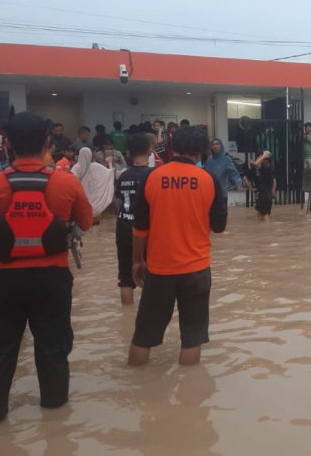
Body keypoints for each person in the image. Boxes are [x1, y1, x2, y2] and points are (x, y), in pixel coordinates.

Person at [0, 111, 92, 426]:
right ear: (48, 142)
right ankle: (55, 418)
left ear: (6, 143)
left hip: (2, 279)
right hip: (51, 278)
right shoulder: (66, 182)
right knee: (53, 347)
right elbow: (87, 222)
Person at [128, 126, 227, 367]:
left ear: (174, 148)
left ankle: (136, 387)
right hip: (196, 269)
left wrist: (138, 260)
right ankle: (189, 397)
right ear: (202, 151)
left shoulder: (152, 177)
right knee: (192, 339)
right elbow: (219, 226)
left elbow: (140, 229)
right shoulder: (209, 180)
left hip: (159, 269)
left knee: (143, 336)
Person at [115, 134, 153, 305]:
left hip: (123, 227)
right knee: (152, 276)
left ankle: (127, 317)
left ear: (128, 153)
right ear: (150, 150)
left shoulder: (122, 176)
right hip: (147, 231)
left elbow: (117, 200)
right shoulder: (153, 175)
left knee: (125, 277)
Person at [72, 147, 115, 219]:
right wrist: (110, 163)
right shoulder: (95, 166)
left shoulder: (76, 167)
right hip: (92, 194)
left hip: (80, 194)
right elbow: (109, 173)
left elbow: (72, 180)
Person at [246, 150, 276, 221]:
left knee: (265, 216)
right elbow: (246, 179)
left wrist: (273, 192)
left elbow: (274, 180)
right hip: (261, 195)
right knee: (261, 214)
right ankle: (262, 229)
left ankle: (266, 230)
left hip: (265, 195)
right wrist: (252, 189)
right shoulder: (256, 169)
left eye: (262, 157)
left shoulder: (267, 167)